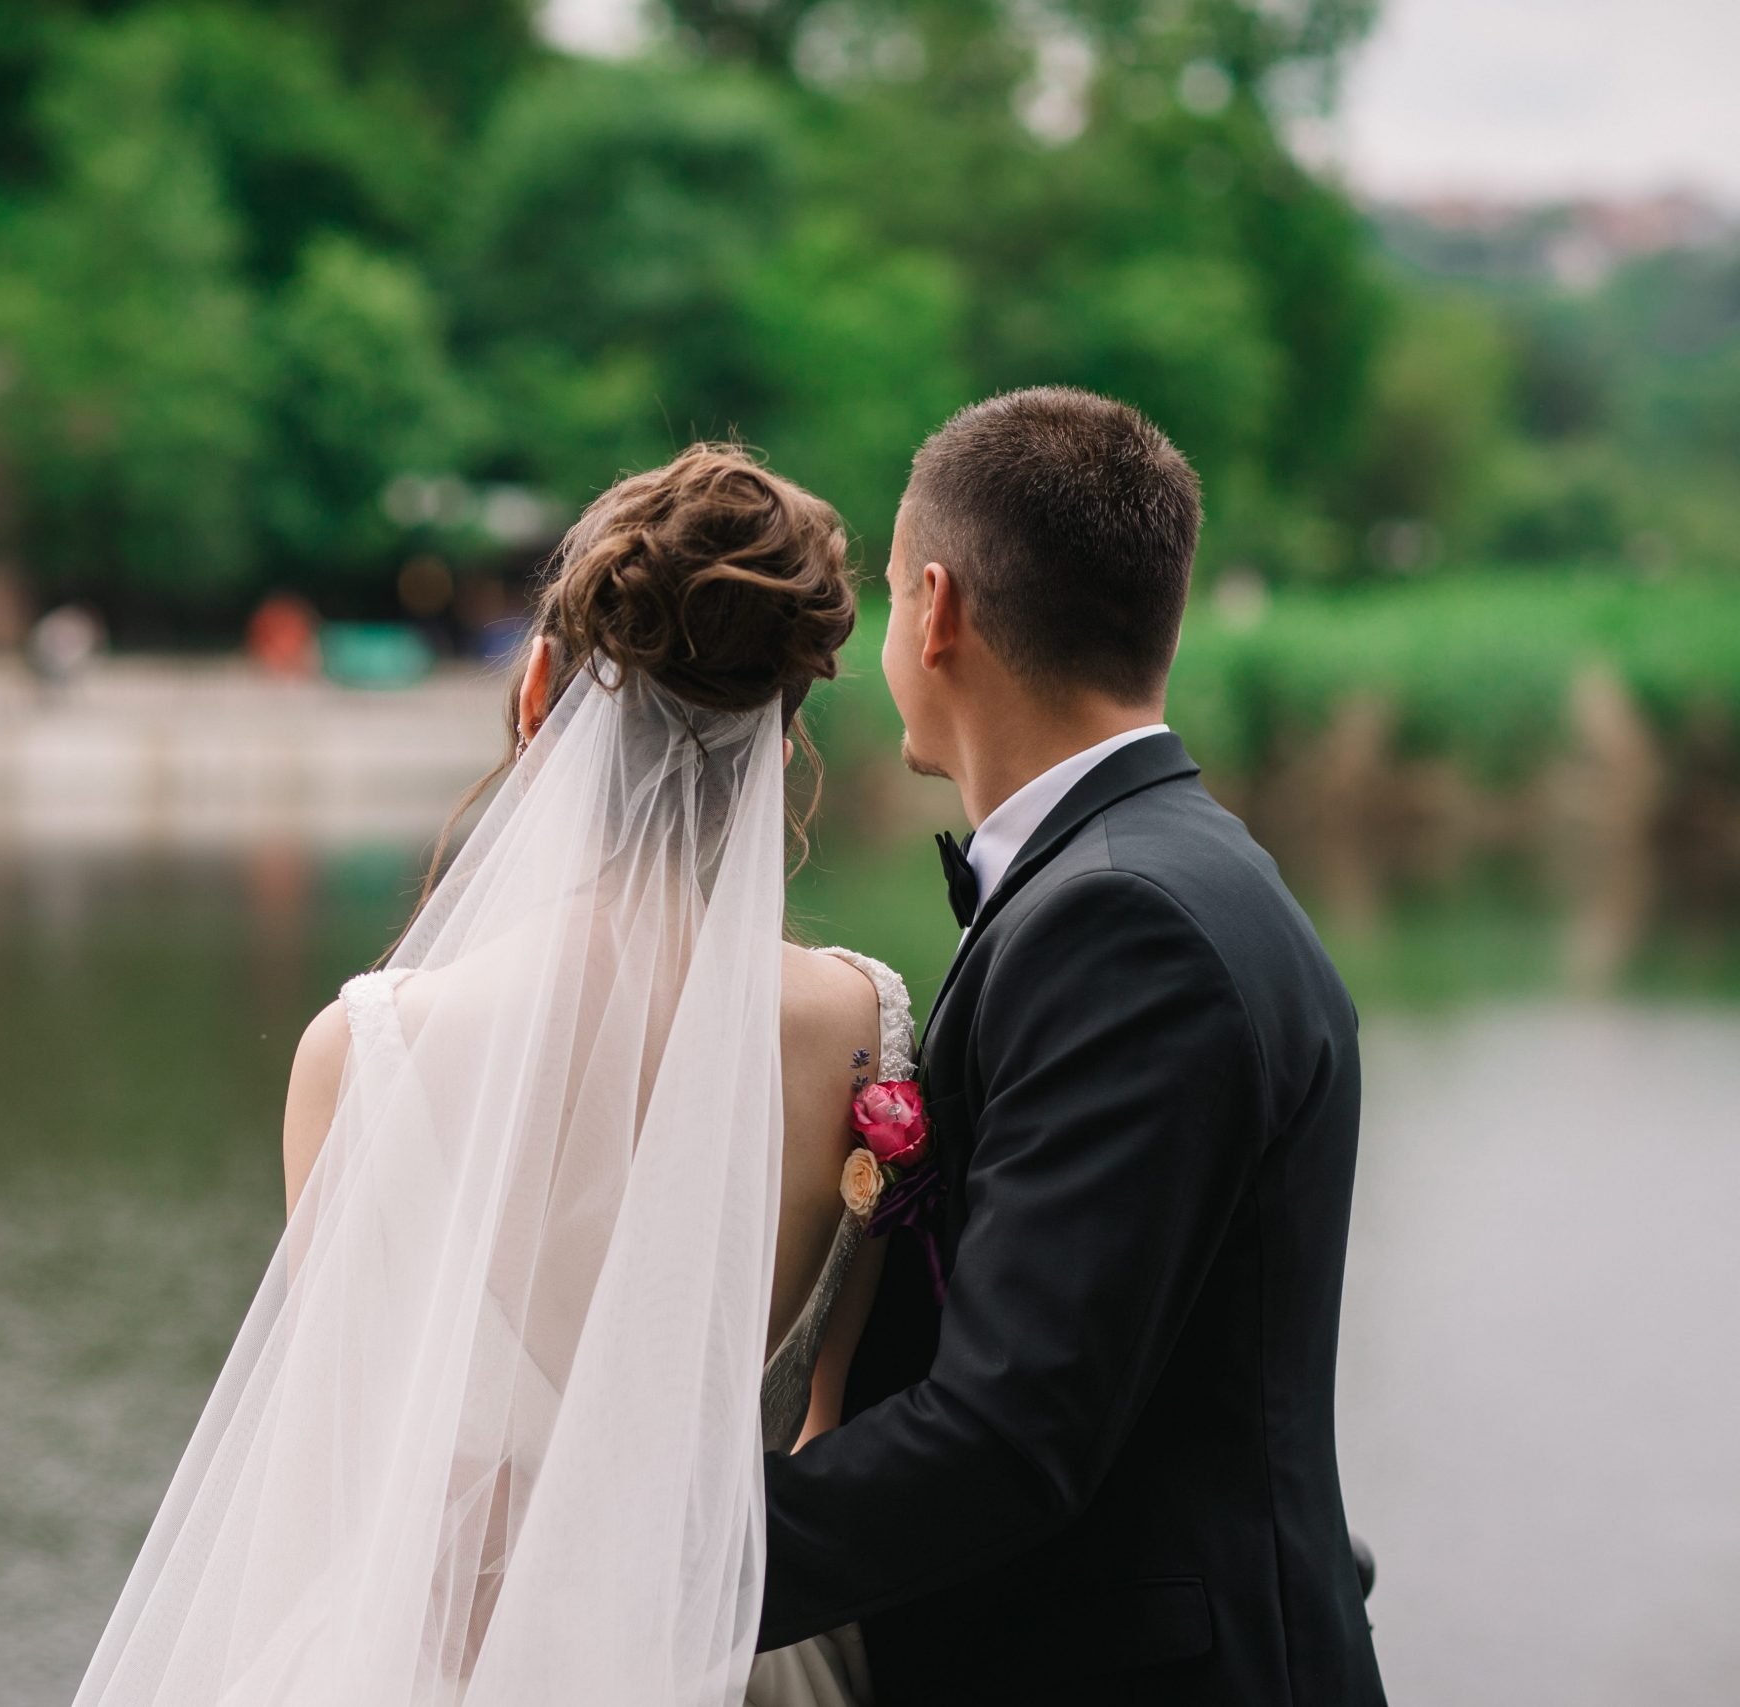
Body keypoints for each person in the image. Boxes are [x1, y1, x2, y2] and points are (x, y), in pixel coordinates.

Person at [71, 445, 919, 1707]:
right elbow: (827, 1432)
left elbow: (347, 1468)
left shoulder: (365, 1054)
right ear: (781, 736)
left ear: (540, 698)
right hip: (746, 1659)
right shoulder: (864, 1026)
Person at [757, 388, 1388, 1705]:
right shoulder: (1171, 870)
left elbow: (1012, 1428)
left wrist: (651, 1557)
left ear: (937, 608)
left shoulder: (1124, 923)